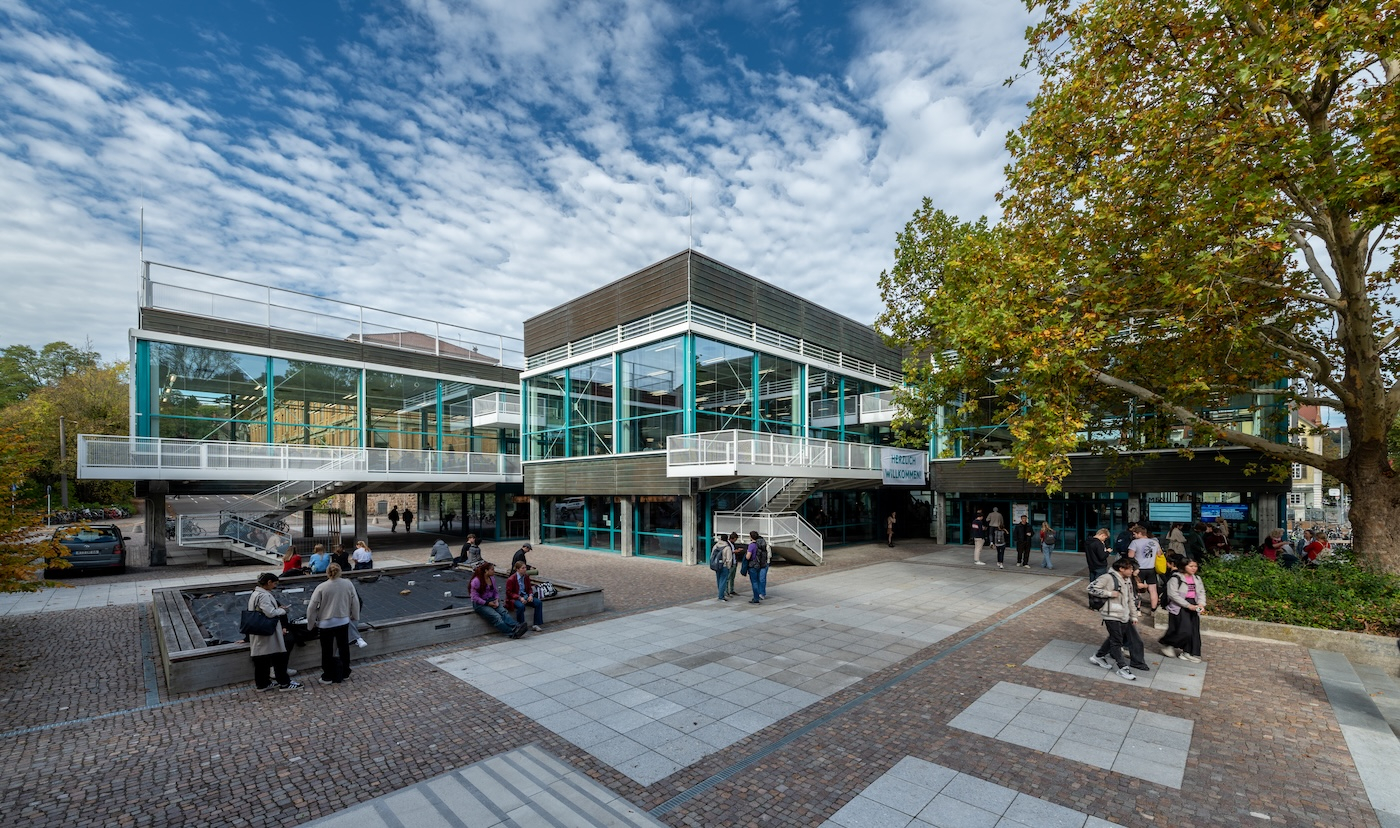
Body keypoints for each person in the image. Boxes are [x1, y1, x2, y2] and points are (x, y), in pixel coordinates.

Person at [1087, 557, 1150, 680]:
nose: (1132, 571)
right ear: (1121, 568)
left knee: (1114, 638)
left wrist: (1133, 615)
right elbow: (1091, 588)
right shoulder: (1108, 577)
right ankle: (1122, 667)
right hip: (1111, 614)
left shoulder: (1128, 580)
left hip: (1124, 615)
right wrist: (1109, 593)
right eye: (1130, 568)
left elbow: (1131, 599)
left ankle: (1098, 656)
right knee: (1117, 641)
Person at [305, 563, 361, 684]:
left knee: (327, 650)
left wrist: (310, 624)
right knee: (344, 647)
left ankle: (328, 675)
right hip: (343, 620)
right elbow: (355, 601)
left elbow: (311, 607)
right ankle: (345, 672)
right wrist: (355, 616)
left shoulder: (321, 587)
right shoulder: (348, 583)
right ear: (340, 571)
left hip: (326, 623)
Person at [247, 573, 302, 692]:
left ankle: (263, 683)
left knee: (261, 659)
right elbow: (270, 612)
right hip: (268, 632)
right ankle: (284, 683)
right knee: (279, 657)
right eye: (274, 583)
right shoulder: (263, 596)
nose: (275, 586)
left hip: (259, 631)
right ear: (269, 582)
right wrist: (281, 610)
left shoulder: (255, 594)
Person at [1159, 555, 1206, 663]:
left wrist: (1201, 604)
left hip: (1194, 605)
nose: (1194, 568)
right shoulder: (1176, 578)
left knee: (1194, 630)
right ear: (1184, 566)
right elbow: (1173, 595)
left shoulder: (1197, 579)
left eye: (1195, 566)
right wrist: (1188, 605)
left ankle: (1189, 652)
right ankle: (1168, 643)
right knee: (1184, 630)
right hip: (1179, 606)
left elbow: (1201, 592)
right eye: (1191, 566)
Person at [470, 562, 526, 638]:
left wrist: (496, 599)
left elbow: (495, 591)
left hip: (492, 600)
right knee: (496, 616)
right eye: (492, 569)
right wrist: (487, 603)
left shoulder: (492, 579)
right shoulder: (476, 581)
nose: (494, 571)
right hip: (480, 604)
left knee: (503, 612)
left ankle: (516, 626)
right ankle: (511, 632)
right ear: (486, 571)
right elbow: (474, 597)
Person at [1127, 525, 1161, 612]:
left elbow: (1130, 556)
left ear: (1140, 533)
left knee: (1137, 589)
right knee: (1153, 590)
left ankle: (1137, 609)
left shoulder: (1134, 543)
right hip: (1151, 568)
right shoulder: (1155, 542)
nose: (1133, 536)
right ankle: (1153, 610)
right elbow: (1159, 554)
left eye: (1134, 534)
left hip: (1139, 569)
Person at [505, 560, 544, 631]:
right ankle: (521, 625)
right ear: (517, 569)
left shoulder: (526, 577)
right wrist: (519, 598)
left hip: (525, 596)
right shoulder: (511, 579)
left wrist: (530, 595)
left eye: (525, 568)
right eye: (522, 568)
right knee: (521, 606)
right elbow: (509, 593)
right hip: (514, 598)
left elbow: (529, 588)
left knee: (538, 603)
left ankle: (536, 624)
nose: (525, 569)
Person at [710, 533, 736, 601]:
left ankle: (720, 593)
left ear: (720, 538)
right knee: (723, 580)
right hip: (724, 566)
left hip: (717, 565)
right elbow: (729, 559)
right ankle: (721, 596)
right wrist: (728, 566)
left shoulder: (716, 546)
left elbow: (712, 555)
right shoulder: (727, 547)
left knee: (718, 580)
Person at [746, 530, 770, 603]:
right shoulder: (760, 545)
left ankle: (756, 598)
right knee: (759, 580)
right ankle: (760, 594)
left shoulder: (752, 545)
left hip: (752, 565)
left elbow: (748, 557)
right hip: (759, 565)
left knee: (754, 582)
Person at [724, 532, 742, 596]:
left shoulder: (733, 544)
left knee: (732, 577)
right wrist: (734, 551)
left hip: (734, 562)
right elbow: (726, 552)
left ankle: (731, 590)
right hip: (730, 563)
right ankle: (726, 591)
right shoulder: (727, 544)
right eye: (735, 539)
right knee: (728, 577)